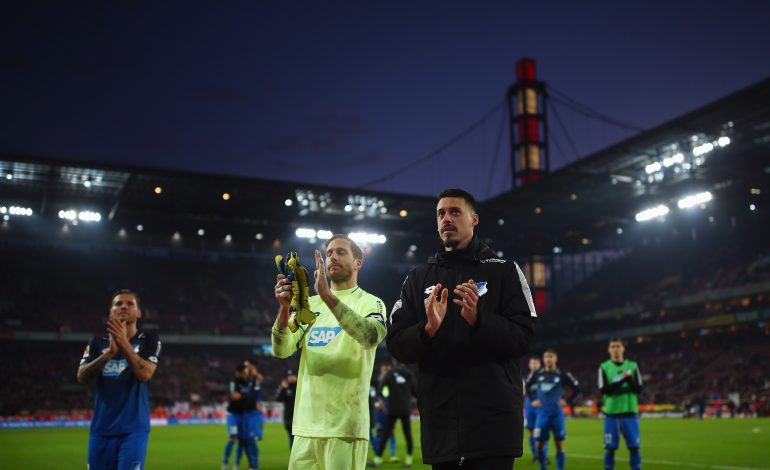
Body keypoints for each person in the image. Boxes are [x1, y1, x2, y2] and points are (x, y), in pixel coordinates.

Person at [387, 188, 537, 470]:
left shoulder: (504, 271)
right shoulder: (417, 279)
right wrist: (428, 328)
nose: (446, 218)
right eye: (441, 213)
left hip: (493, 428)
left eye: (455, 212)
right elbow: (396, 344)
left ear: (474, 219)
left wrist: (480, 320)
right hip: (441, 427)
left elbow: (524, 336)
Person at [272, 234, 387, 469]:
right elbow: (281, 349)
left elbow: (371, 336)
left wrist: (327, 296)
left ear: (358, 262)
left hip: (345, 428)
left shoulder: (371, 303)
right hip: (305, 427)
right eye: (329, 253)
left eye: (341, 252)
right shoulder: (309, 305)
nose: (333, 256)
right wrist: (284, 310)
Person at [76, 289, 161, 470]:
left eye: (130, 304)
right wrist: (110, 354)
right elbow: (81, 376)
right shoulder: (96, 343)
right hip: (101, 430)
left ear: (139, 312)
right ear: (111, 312)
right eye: (118, 303)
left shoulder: (149, 340)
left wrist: (124, 344)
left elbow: (145, 374)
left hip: (134, 430)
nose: (124, 306)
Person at [525, 349, 579, 470]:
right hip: (542, 414)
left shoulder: (562, 374)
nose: (548, 359)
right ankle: (543, 467)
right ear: (543, 359)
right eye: (546, 357)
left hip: (556, 415)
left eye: (550, 357)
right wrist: (533, 399)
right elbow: (527, 387)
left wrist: (567, 400)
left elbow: (576, 388)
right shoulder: (537, 374)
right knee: (539, 444)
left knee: (559, 444)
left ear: (556, 358)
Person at [598, 338, 643, 470]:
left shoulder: (633, 366)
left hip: (630, 413)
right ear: (609, 350)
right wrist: (623, 380)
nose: (616, 349)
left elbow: (639, 389)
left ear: (623, 349)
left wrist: (628, 379)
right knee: (610, 449)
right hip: (612, 414)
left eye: (618, 346)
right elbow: (604, 390)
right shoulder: (604, 367)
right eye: (613, 346)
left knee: (634, 448)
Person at [370, 360, 417, 467]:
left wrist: (387, 397)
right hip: (405, 408)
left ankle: (378, 459)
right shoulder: (409, 374)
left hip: (393, 409)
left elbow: (381, 390)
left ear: (393, 363)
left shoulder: (389, 374)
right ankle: (409, 460)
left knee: (385, 434)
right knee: (407, 434)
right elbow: (415, 391)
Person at [223, 362, 260, 470]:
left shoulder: (249, 381)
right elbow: (235, 397)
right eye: (244, 371)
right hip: (234, 414)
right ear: (239, 373)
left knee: (244, 440)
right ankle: (225, 464)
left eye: (246, 371)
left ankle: (238, 465)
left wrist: (244, 396)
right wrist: (247, 397)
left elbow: (251, 396)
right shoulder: (234, 382)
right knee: (233, 438)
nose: (246, 373)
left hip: (245, 414)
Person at [524, 355, 548, 461]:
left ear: (539, 364)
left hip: (540, 405)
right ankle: (535, 455)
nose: (534, 365)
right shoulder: (526, 377)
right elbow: (523, 391)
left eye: (536, 363)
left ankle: (544, 456)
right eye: (532, 363)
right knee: (530, 431)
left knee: (541, 430)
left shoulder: (544, 375)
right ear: (529, 365)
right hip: (529, 405)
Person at [275, 368, 298, 448]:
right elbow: (278, 399)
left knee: (299, 442)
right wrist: (283, 388)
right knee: (292, 440)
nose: (291, 377)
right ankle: (294, 459)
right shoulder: (285, 387)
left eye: (292, 376)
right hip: (288, 419)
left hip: (299, 418)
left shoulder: (300, 386)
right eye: (289, 376)